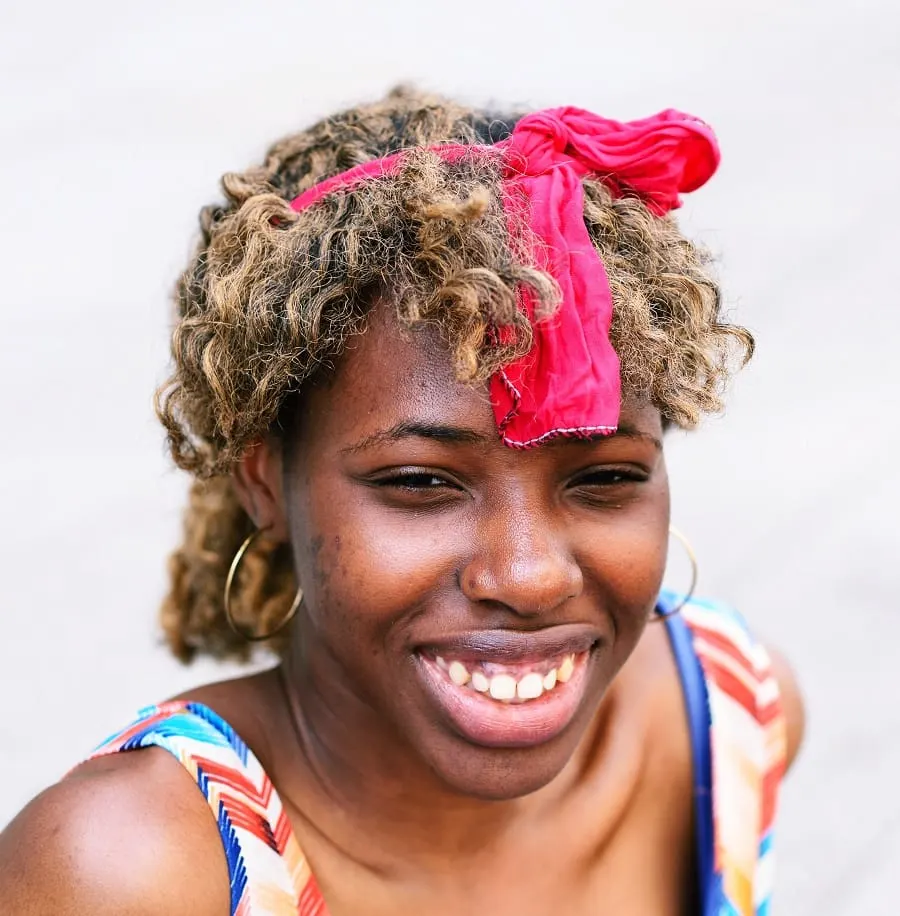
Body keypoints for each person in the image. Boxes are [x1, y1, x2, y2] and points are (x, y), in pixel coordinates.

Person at [0, 87, 804, 915]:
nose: (527, 577)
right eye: (421, 483)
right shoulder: (128, 872)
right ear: (263, 480)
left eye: (603, 479)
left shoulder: (729, 718)